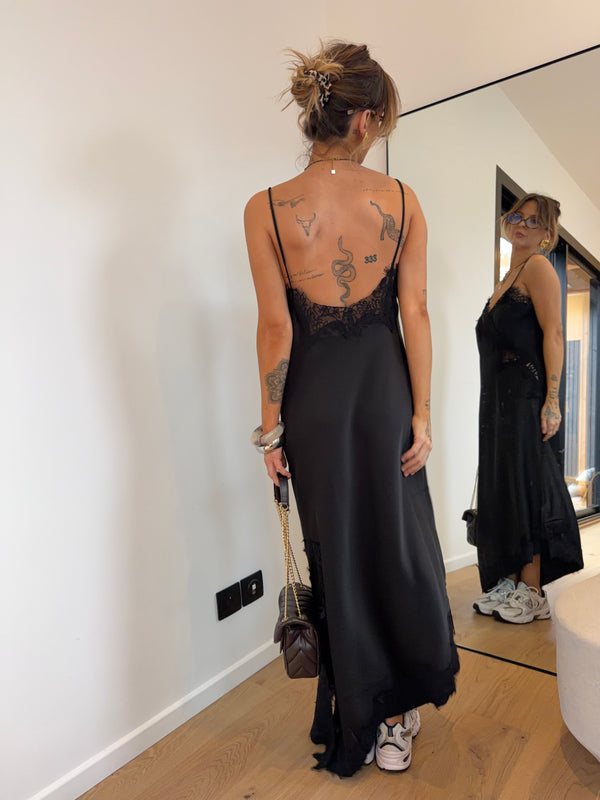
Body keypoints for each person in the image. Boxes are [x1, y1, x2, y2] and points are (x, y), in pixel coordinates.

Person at [244, 41, 458, 777]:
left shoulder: (265, 208)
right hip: (385, 399)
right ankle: (396, 719)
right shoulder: (401, 200)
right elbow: (415, 311)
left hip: (312, 407)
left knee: (335, 552)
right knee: (397, 547)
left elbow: (275, 329)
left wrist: (270, 428)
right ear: (365, 119)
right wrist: (422, 414)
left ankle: (359, 715)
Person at [473, 194, 583, 623]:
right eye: (517, 215)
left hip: (525, 397)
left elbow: (553, 334)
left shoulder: (538, 267)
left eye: (533, 221)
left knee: (526, 487)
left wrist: (552, 401)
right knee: (503, 487)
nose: (521, 224)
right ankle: (509, 580)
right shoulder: (507, 277)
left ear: (547, 234)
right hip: (496, 403)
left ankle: (532, 590)